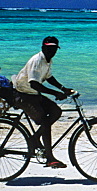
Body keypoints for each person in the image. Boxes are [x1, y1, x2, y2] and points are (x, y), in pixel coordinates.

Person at [12, 36, 75, 169]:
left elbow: (48, 77)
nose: (52, 51)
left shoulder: (48, 60)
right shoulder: (37, 60)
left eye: (54, 48)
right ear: (43, 48)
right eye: (49, 48)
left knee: (56, 111)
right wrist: (55, 93)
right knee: (45, 121)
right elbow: (34, 84)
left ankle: (34, 139)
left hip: (33, 94)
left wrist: (63, 89)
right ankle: (50, 158)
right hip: (24, 95)